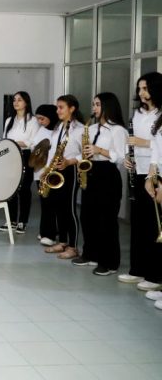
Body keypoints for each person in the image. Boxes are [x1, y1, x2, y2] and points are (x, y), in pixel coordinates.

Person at [75, 92, 127, 276]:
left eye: (97, 104)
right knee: (88, 217)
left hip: (108, 174)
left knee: (107, 220)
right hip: (91, 171)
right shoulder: (92, 127)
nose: (94, 108)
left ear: (107, 106)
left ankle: (109, 262)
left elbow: (121, 157)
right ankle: (90, 254)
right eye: (93, 104)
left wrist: (99, 150)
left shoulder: (118, 130)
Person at [121, 73, 162, 291]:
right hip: (137, 171)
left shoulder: (160, 114)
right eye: (139, 89)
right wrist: (128, 157)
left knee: (153, 225)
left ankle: (154, 275)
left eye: (145, 88)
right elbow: (132, 143)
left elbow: (157, 143)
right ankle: (137, 269)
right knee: (138, 224)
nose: (141, 93)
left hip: (155, 173)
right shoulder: (136, 114)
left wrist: (141, 142)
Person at [42, 95, 84, 261]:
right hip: (56, 170)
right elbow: (53, 150)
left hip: (70, 170)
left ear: (72, 108)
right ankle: (63, 242)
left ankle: (73, 247)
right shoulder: (59, 127)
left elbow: (86, 153)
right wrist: (47, 168)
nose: (57, 110)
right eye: (57, 107)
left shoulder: (80, 129)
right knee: (58, 208)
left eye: (61, 107)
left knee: (69, 209)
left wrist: (70, 161)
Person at [0, 91, 40, 234]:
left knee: (24, 189)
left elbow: (34, 142)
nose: (16, 102)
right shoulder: (9, 120)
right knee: (10, 189)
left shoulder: (32, 120)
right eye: (14, 100)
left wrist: (17, 143)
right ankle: (11, 221)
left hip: (26, 155)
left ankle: (23, 221)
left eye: (19, 100)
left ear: (26, 102)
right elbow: (4, 139)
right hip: (10, 155)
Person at [31, 104, 59, 246]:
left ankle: (50, 233)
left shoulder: (58, 130)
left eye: (42, 119)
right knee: (45, 202)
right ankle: (45, 231)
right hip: (40, 171)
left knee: (51, 203)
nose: (40, 122)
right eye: (38, 119)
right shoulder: (41, 130)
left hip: (52, 171)